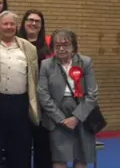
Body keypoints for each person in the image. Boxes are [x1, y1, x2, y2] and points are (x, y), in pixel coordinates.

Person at [0, 11, 40, 168]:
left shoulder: (29, 47)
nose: (9, 27)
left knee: (20, 150)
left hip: (20, 104)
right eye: (5, 24)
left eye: (12, 24)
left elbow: (34, 77)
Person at [37, 29, 98, 168]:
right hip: (57, 114)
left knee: (82, 157)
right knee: (59, 158)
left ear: (74, 46)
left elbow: (92, 93)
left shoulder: (85, 62)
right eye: (57, 45)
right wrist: (61, 119)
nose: (61, 48)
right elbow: (43, 94)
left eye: (66, 44)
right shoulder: (46, 65)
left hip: (82, 112)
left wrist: (77, 117)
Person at [18, 9, 52, 168]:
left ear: (41, 25)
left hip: (43, 104)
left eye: (37, 21)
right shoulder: (15, 43)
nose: (33, 23)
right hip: (20, 101)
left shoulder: (48, 47)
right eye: (30, 20)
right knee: (21, 147)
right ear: (24, 23)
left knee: (44, 147)